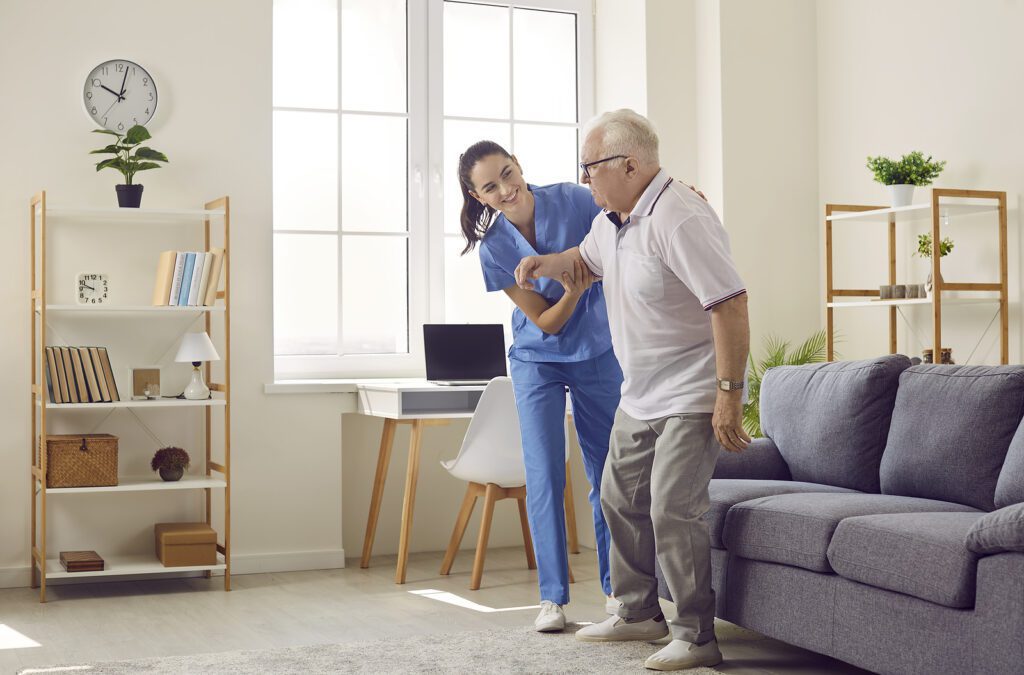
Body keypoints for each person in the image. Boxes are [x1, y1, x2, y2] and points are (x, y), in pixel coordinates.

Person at [514, 109, 751, 671]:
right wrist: (547, 264)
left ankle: (696, 636)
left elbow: (731, 304)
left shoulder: (679, 217)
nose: (584, 178)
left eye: (590, 167)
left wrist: (728, 395)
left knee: (673, 507)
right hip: (639, 393)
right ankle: (639, 613)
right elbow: (586, 263)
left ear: (629, 163)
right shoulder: (613, 219)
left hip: (692, 392)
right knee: (617, 497)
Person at [457, 140, 624, 633]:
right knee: (545, 474)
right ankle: (552, 599)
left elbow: (624, 218)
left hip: (598, 352)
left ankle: (618, 591)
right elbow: (546, 323)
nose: (507, 189)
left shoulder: (574, 199)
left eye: (509, 174)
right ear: (478, 195)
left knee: (607, 475)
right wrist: (574, 289)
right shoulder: (494, 250)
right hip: (537, 360)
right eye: (491, 186)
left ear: (519, 165)